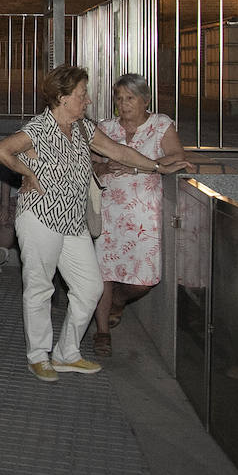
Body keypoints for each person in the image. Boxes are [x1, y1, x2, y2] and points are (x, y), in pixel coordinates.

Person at [0, 64, 190, 383]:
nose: (87, 100)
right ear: (62, 97)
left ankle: (67, 352)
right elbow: (0, 151)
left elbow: (121, 153)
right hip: (40, 218)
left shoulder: (83, 128)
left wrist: (156, 166)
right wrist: (28, 174)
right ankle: (38, 356)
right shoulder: (39, 128)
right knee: (40, 287)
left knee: (90, 287)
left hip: (72, 220)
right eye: (82, 94)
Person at [91, 72, 188, 357]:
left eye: (130, 98)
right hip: (109, 211)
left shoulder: (160, 124)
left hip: (144, 215)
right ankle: (102, 333)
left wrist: (138, 167)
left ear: (145, 100)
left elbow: (175, 156)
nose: (123, 104)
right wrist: (102, 168)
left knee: (143, 280)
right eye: (119, 99)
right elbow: (90, 161)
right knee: (103, 273)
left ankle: (119, 300)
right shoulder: (106, 128)